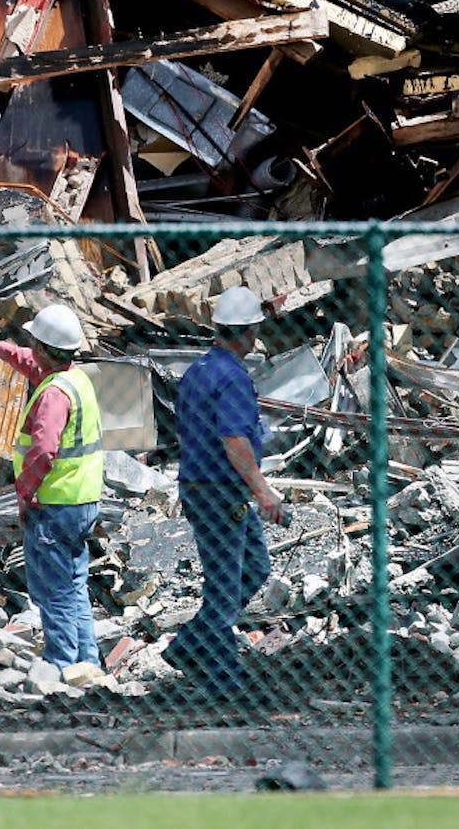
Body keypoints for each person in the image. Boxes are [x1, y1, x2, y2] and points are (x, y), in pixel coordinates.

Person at [0, 304, 103, 672]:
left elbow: (42, 451)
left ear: (42, 348)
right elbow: (34, 364)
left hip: (54, 506)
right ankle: (87, 664)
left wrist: (24, 495)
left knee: (53, 592)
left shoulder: (52, 396)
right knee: (73, 587)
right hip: (82, 502)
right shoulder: (76, 379)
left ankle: (60, 665)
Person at [164, 285, 288, 700]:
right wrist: (264, 491)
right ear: (249, 332)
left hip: (205, 489)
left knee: (254, 568)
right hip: (222, 493)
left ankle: (188, 646)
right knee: (223, 587)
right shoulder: (232, 378)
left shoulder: (198, 371)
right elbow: (234, 440)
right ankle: (223, 681)